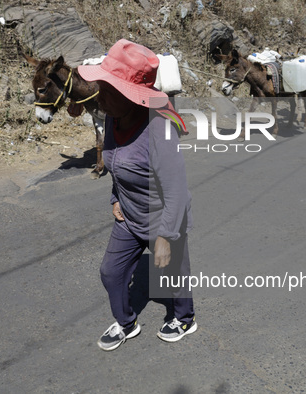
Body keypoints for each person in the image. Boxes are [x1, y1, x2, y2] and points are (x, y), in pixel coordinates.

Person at [77, 39, 197, 351]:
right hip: (129, 216)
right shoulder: (112, 118)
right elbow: (116, 165)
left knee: (173, 277)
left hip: (164, 219)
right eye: (102, 87)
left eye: (109, 90)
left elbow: (177, 192)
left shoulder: (159, 128)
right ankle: (126, 322)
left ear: (134, 97)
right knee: (111, 273)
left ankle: (184, 318)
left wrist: (166, 238)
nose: (100, 97)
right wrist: (115, 198)